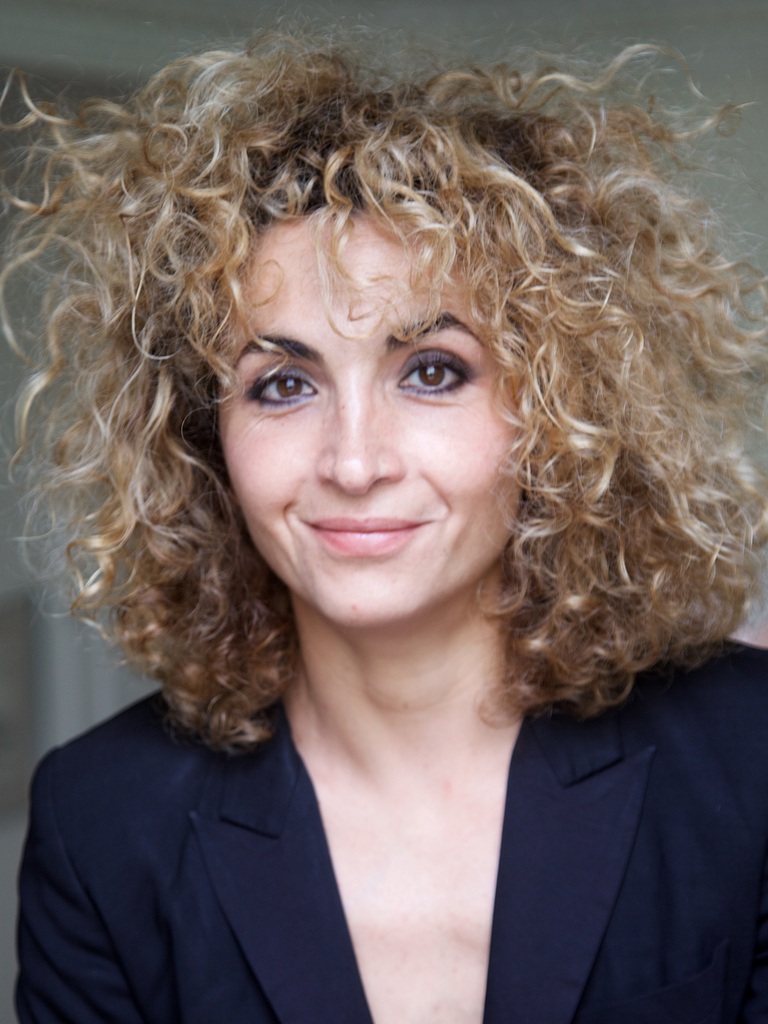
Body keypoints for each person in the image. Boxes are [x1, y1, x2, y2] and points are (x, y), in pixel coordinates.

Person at [5, 31, 768, 1024]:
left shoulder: (749, 752)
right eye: (282, 385)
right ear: (204, 438)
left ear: (557, 409)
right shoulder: (102, 823)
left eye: (433, 372)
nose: (355, 462)